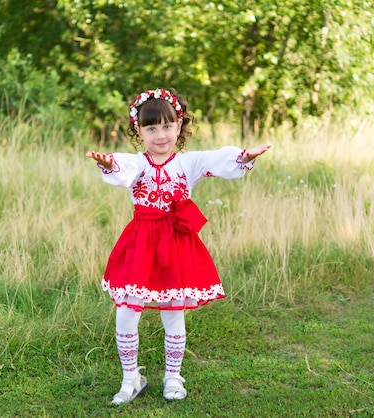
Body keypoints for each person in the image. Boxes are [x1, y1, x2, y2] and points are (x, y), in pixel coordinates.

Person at [86, 88, 271, 405]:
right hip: (140, 245)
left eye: (167, 126)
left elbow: (218, 159)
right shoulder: (138, 163)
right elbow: (121, 168)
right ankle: (131, 378)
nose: (160, 135)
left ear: (179, 125)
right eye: (151, 128)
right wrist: (108, 164)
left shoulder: (189, 163)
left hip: (176, 245)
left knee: (173, 313)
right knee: (127, 311)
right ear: (139, 131)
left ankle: (173, 376)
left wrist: (244, 157)